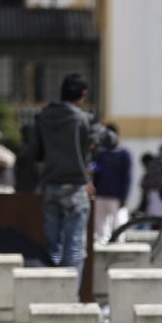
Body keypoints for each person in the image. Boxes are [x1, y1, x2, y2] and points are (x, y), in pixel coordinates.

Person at [29, 73, 116, 273]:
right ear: (83, 94)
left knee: (52, 247)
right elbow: (111, 140)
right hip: (75, 189)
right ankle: (69, 297)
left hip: (50, 187)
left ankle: (51, 291)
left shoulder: (43, 117)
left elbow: (34, 151)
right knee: (74, 246)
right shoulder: (83, 119)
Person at [92, 124, 132, 243]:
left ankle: (119, 243)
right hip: (101, 194)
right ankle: (101, 242)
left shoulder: (124, 154)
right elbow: (96, 174)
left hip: (116, 196)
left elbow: (127, 177)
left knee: (118, 223)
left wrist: (123, 197)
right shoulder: (101, 154)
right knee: (100, 226)